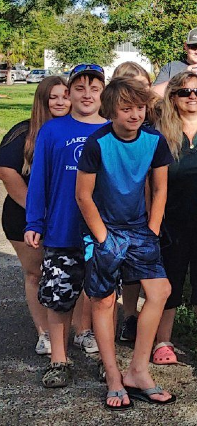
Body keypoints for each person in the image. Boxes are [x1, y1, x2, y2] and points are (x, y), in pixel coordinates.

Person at [76, 77, 176, 408]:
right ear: (111, 111)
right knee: (103, 301)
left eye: (140, 108)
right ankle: (113, 376)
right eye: (126, 109)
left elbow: (160, 189)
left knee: (160, 291)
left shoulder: (154, 140)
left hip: (139, 227)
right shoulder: (97, 143)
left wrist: (152, 227)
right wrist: (102, 237)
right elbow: (83, 196)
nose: (134, 115)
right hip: (104, 228)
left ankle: (137, 370)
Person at [26, 64, 108, 387]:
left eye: (95, 89)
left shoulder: (111, 130)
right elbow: (39, 182)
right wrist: (34, 221)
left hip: (101, 233)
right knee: (58, 298)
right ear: (70, 93)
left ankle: (105, 357)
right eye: (80, 88)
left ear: (103, 93)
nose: (87, 95)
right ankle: (59, 359)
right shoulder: (52, 131)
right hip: (61, 229)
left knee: (102, 298)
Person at [151, 72, 197, 363]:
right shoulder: (159, 133)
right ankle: (162, 341)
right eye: (184, 92)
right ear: (172, 97)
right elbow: (150, 184)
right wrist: (152, 223)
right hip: (172, 219)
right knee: (171, 278)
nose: (192, 97)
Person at [0, 77, 70, 357]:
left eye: (66, 95)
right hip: (24, 217)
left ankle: (74, 330)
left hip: (63, 217)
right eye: (54, 97)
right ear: (42, 101)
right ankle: (43, 334)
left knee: (64, 274)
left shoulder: (75, 130)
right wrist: (36, 211)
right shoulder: (24, 132)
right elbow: (6, 170)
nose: (61, 102)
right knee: (35, 274)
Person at [153, 28, 197, 97]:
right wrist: (181, 76)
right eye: (193, 47)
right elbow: (154, 94)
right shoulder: (171, 67)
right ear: (186, 46)